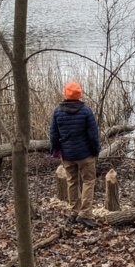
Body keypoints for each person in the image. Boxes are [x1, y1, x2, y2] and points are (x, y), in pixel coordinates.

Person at [50, 82, 100, 228]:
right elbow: (93, 135)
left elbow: (53, 134)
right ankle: (85, 214)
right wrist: (96, 151)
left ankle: (74, 211)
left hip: (68, 155)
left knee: (72, 182)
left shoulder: (58, 112)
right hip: (85, 154)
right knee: (88, 181)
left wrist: (56, 150)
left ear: (66, 94)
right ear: (80, 95)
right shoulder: (86, 111)